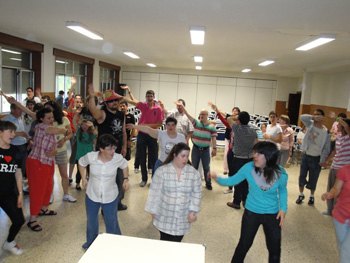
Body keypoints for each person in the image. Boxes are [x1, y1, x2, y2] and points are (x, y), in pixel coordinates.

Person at [213, 141, 288, 263]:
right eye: (254, 152)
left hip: (272, 214)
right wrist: (217, 177)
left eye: (259, 153)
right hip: (251, 213)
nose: (254, 156)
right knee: (244, 245)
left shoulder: (281, 173)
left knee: (274, 249)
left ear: (269, 156)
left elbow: (283, 191)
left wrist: (283, 209)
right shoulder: (249, 168)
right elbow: (232, 180)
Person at [78, 134, 129, 250]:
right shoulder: (91, 157)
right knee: (91, 222)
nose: (113, 151)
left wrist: (125, 179)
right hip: (92, 195)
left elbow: (125, 165)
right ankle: (91, 243)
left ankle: (115, 244)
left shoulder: (117, 158)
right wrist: (83, 178)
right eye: (109, 148)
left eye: (114, 148)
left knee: (112, 222)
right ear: (101, 149)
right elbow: (81, 163)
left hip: (110, 196)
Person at [145, 143, 202, 242]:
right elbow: (154, 192)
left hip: (183, 217)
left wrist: (193, 212)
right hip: (164, 216)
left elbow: (197, 194)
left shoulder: (194, 173)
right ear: (174, 155)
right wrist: (152, 210)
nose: (185, 159)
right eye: (183, 156)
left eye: (187, 156)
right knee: (165, 242)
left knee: (177, 242)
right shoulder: (162, 171)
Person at [87, 85, 128, 210]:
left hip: (118, 152)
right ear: (106, 103)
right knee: (105, 181)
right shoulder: (102, 114)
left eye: (116, 100)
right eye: (111, 101)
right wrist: (92, 95)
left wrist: (125, 146)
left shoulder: (121, 114)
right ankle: (106, 206)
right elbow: (93, 111)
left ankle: (118, 202)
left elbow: (123, 131)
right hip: (104, 153)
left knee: (119, 178)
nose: (114, 102)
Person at [26, 108, 67, 231]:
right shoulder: (41, 127)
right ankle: (32, 219)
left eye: (52, 117)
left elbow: (52, 144)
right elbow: (60, 129)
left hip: (47, 163)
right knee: (37, 190)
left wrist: (55, 149)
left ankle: (44, 209)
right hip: (37, 162)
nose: (51, 120)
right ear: (41, 119)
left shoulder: (48, 129)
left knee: (48, 187)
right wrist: (64, 129)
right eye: (48, 118)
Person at [117, 89, 164, 187]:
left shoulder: (158, 109)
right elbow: (131, 101)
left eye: (151, 96)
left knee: (154, 158)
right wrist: (119, 96)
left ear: (154, 97)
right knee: (142, 157)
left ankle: (154, 180)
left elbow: (159, 124)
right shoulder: (143, 106)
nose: (149, 98)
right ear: (146, 98)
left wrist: (147, 125)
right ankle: (144, 179)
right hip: (142, 134)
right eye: (148, 96)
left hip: (152, 134)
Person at [175, 101, 217, 190]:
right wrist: (182, 107)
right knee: (194, 166)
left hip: (206, 150)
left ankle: (208, 183)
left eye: (203, 114)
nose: (201, 116)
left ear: (207, 115)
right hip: (196, 149)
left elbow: (214, 138)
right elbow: (187, 114)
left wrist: (215, 149)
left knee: (206, 167)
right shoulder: (196, 123)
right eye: (200, 114)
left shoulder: (212, 126)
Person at [0, 120, 25, 255]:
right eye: (10, 131)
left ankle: (9, 242)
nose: (13, 134)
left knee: (19, 220)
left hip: (8, 193)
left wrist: (20, 193)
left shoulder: (15, 151)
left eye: (14, 131)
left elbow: (18, 172)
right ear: (1, 133)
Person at [224, 110, 258, 209]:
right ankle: (245, 200)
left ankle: (236, 202)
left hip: (238, 159)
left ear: (239, 120)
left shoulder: (237, 128)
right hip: (249, 159)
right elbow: (255, 144)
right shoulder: (253, 131)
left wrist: (236, 118)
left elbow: (229, 118)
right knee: (246, 181)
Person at [296, 109, 331, 205]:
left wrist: (323, 160)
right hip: (306, 155)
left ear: (323, 117)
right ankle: (301, 194)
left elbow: (326, 148)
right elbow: (302, 117)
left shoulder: (326, 132)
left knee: (314, 178)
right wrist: (312, 116)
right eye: (315, 114)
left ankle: (311, 196)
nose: (316, 116)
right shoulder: (310, 124)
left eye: (318, 115)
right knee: (302, 176)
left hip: (316, 158)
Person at [44, 101, 76, 203]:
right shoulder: (46, 121)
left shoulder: (64, 119)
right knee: (49, 175)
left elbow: (70, 134)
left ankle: (66, 194)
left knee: (64, 174)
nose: (48, 111)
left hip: (61, 151)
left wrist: (64, 139)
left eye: (49, 108)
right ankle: (50, 194)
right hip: (49, 151)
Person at [321, 164, 350, 263]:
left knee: (346, 250)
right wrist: (331, 194)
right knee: (342, 246)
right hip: (341, 215)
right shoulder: (344, 170)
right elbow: (336, 189)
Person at [322, 118, 350, 216]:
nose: (336, 126)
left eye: (339, 125)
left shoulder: (348, 138)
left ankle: (336, 211)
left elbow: (347, 127)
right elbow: (335, 151)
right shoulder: (338, 137)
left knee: (339, 190)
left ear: (344, 127)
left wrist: (338, 118)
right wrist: (326, 160)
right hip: (334, 166)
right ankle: (330, 210)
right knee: (331, 187)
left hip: (343, 167)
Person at [73, 115, 98, 190]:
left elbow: (95, 140)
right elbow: (74, 122)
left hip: (89, 156)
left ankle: (90, 183)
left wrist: (92, 125)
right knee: (79, 171)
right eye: (83, 125)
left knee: (90, 170)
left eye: (86, 125)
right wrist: (76, 114)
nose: (84, 127)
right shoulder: (78, 132)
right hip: (80, 156)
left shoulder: (92, 133)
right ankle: (78, 183)